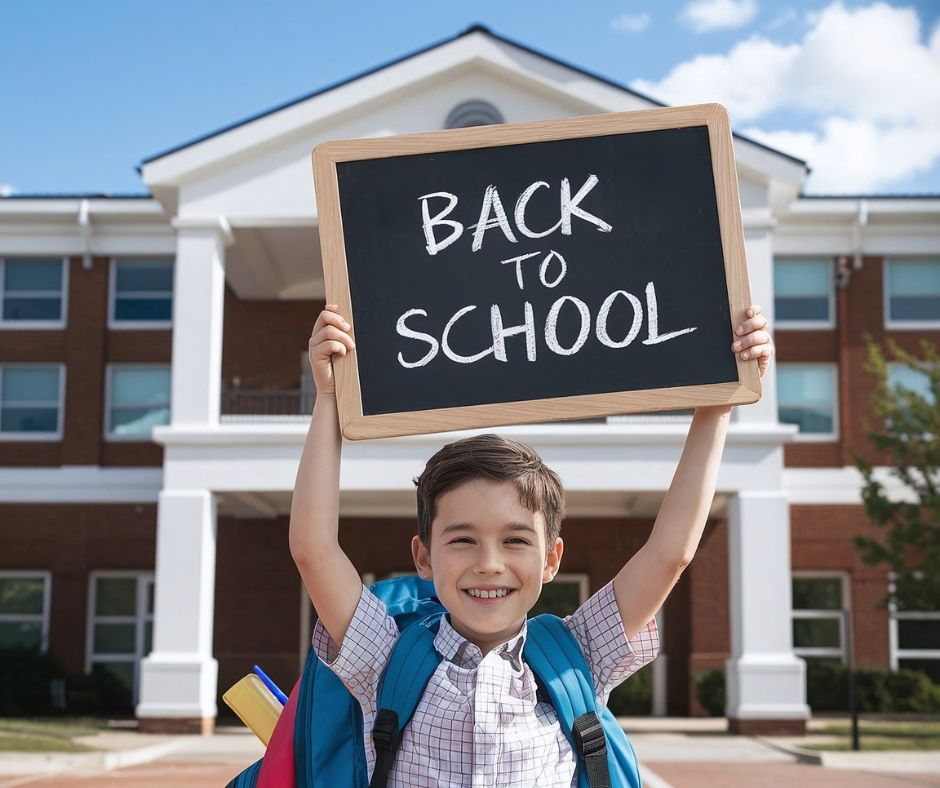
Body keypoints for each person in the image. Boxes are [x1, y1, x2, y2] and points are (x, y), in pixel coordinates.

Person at [289, 303, 773, 786]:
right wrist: (329, 398)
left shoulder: (578, 655)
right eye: (462, 540)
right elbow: (315, 550)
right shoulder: (388, 658)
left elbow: (670, 553)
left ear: (551, 559)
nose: (489, 563)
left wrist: (717, 405)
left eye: (516, 540)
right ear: (424, 557)